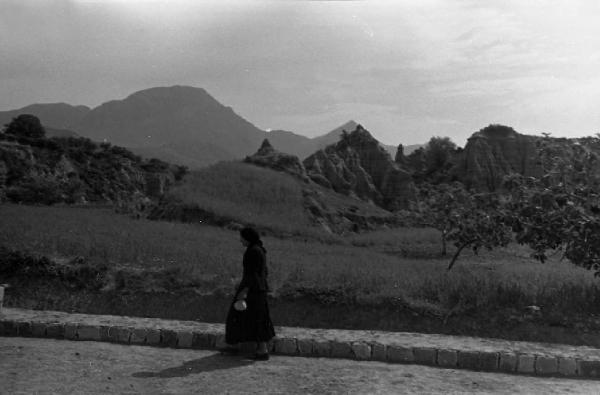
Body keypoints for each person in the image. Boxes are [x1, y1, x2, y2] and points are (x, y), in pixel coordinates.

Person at [221, 227, 275, 360]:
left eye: (242, 237)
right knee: (257, 319)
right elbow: (264, 272)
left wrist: (244, 292)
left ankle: (244, 348)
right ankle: (258, 349)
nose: (240, 240)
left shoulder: (252, 251)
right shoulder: (260, 250)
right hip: (259, 289)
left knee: (238, 316)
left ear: (247, 238)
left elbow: (252, 274)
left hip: (252, 290)